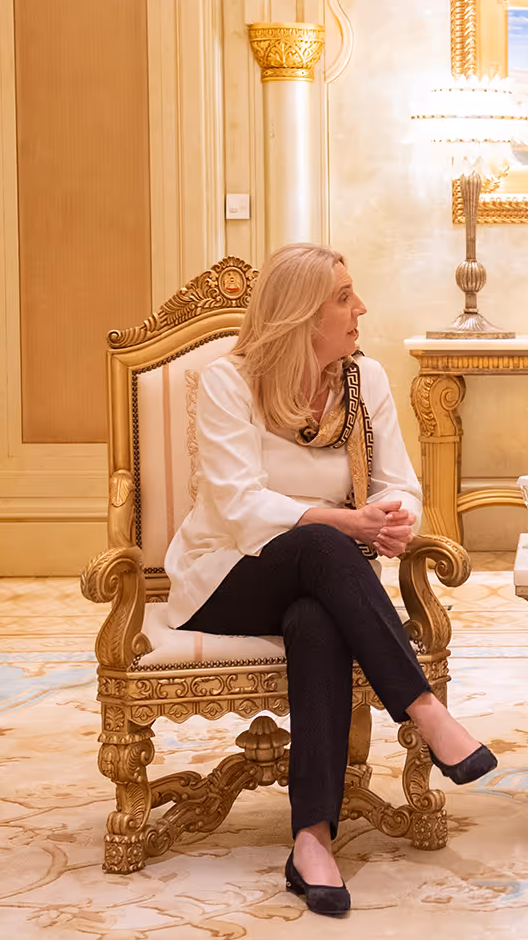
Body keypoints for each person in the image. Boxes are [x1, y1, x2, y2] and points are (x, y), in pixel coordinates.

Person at [159, 243, 497, 917]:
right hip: (226, 576)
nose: (360, 308)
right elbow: (239, 505)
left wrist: (392, 519)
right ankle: (425, 709)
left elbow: (399, 482)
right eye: (343, 298)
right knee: (321, 540)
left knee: (316, 619)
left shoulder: (363, 380)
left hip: (324, 580)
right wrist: (347, 522)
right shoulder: (230, 383)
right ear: (301, 315)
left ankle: (311, 839)